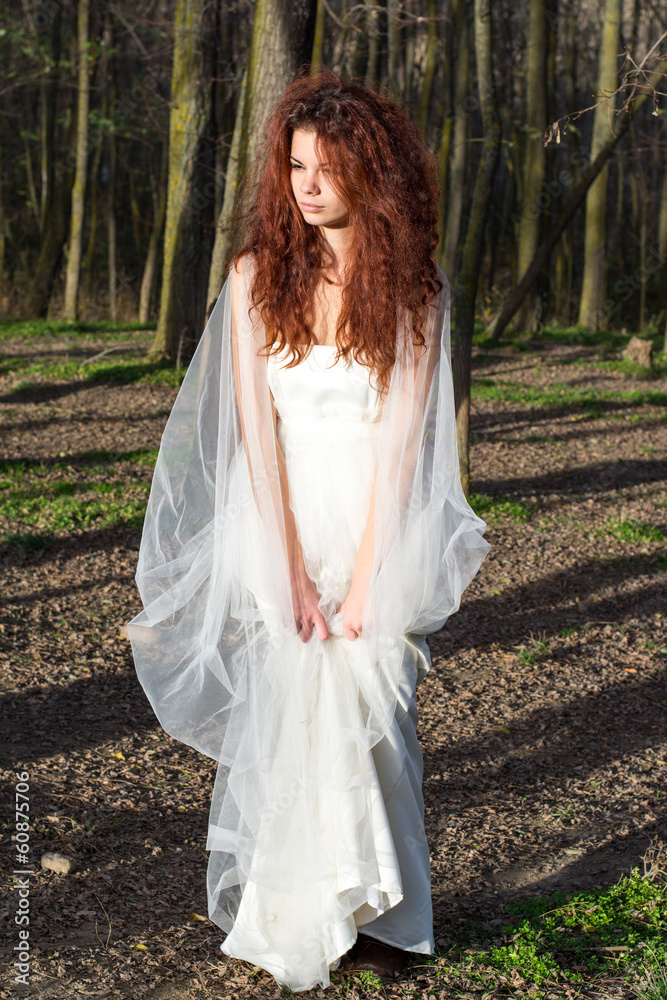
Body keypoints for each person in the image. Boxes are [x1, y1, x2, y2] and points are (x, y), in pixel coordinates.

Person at [127, 70, 489, 993]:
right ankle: (298, 909)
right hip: (280, 523)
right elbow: (255, 435)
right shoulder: (255, 278)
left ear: (374, 172)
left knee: (373, 710)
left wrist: (368, 576)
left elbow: (405, 443)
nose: (309, 184)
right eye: (295, 165)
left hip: (374, 522)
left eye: (329, 166)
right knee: (293, 717)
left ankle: (385, 917)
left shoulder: (415, 286)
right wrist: (288, 570)